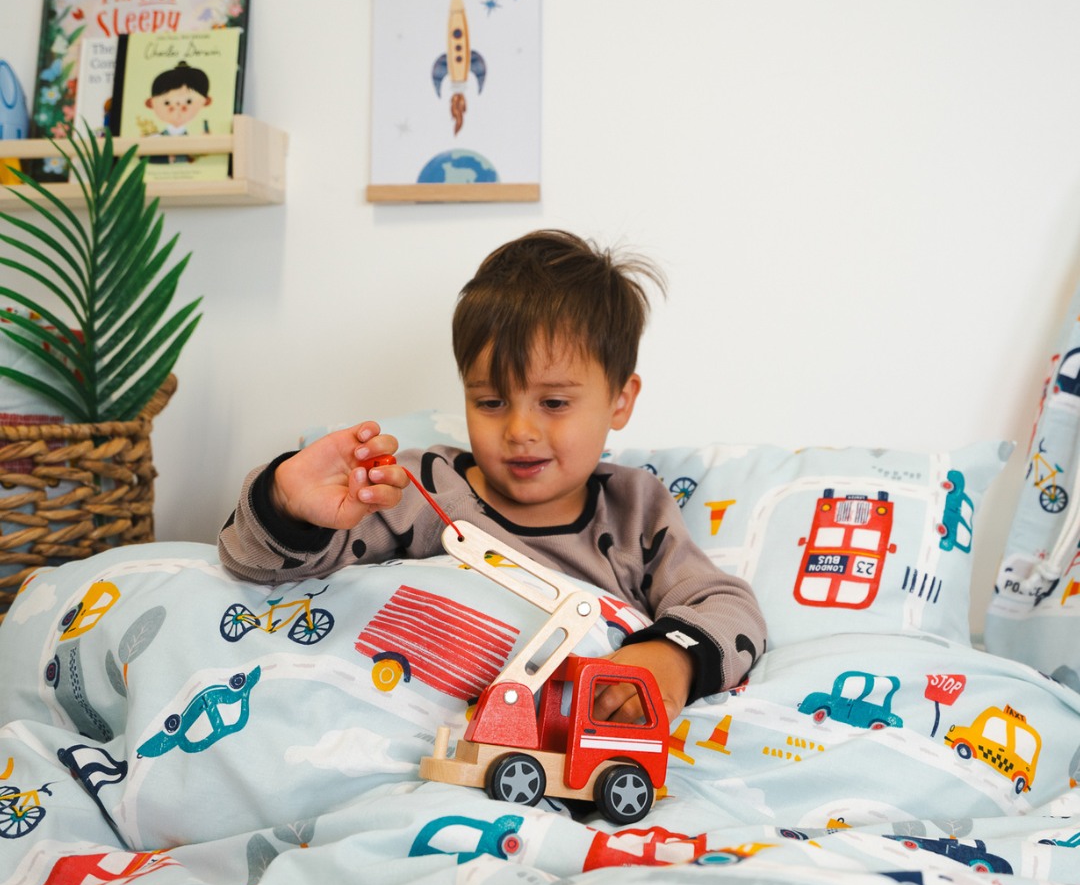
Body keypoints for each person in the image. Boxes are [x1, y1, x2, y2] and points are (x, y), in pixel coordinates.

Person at [218, 230, 766, 723]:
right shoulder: (421, 486)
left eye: (553, 402)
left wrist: (669, 657)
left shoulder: (634, 509)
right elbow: (259, 567)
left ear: (620, 400)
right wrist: (286, 505)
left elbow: (727, 606)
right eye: (491, 401)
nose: (520, 429)